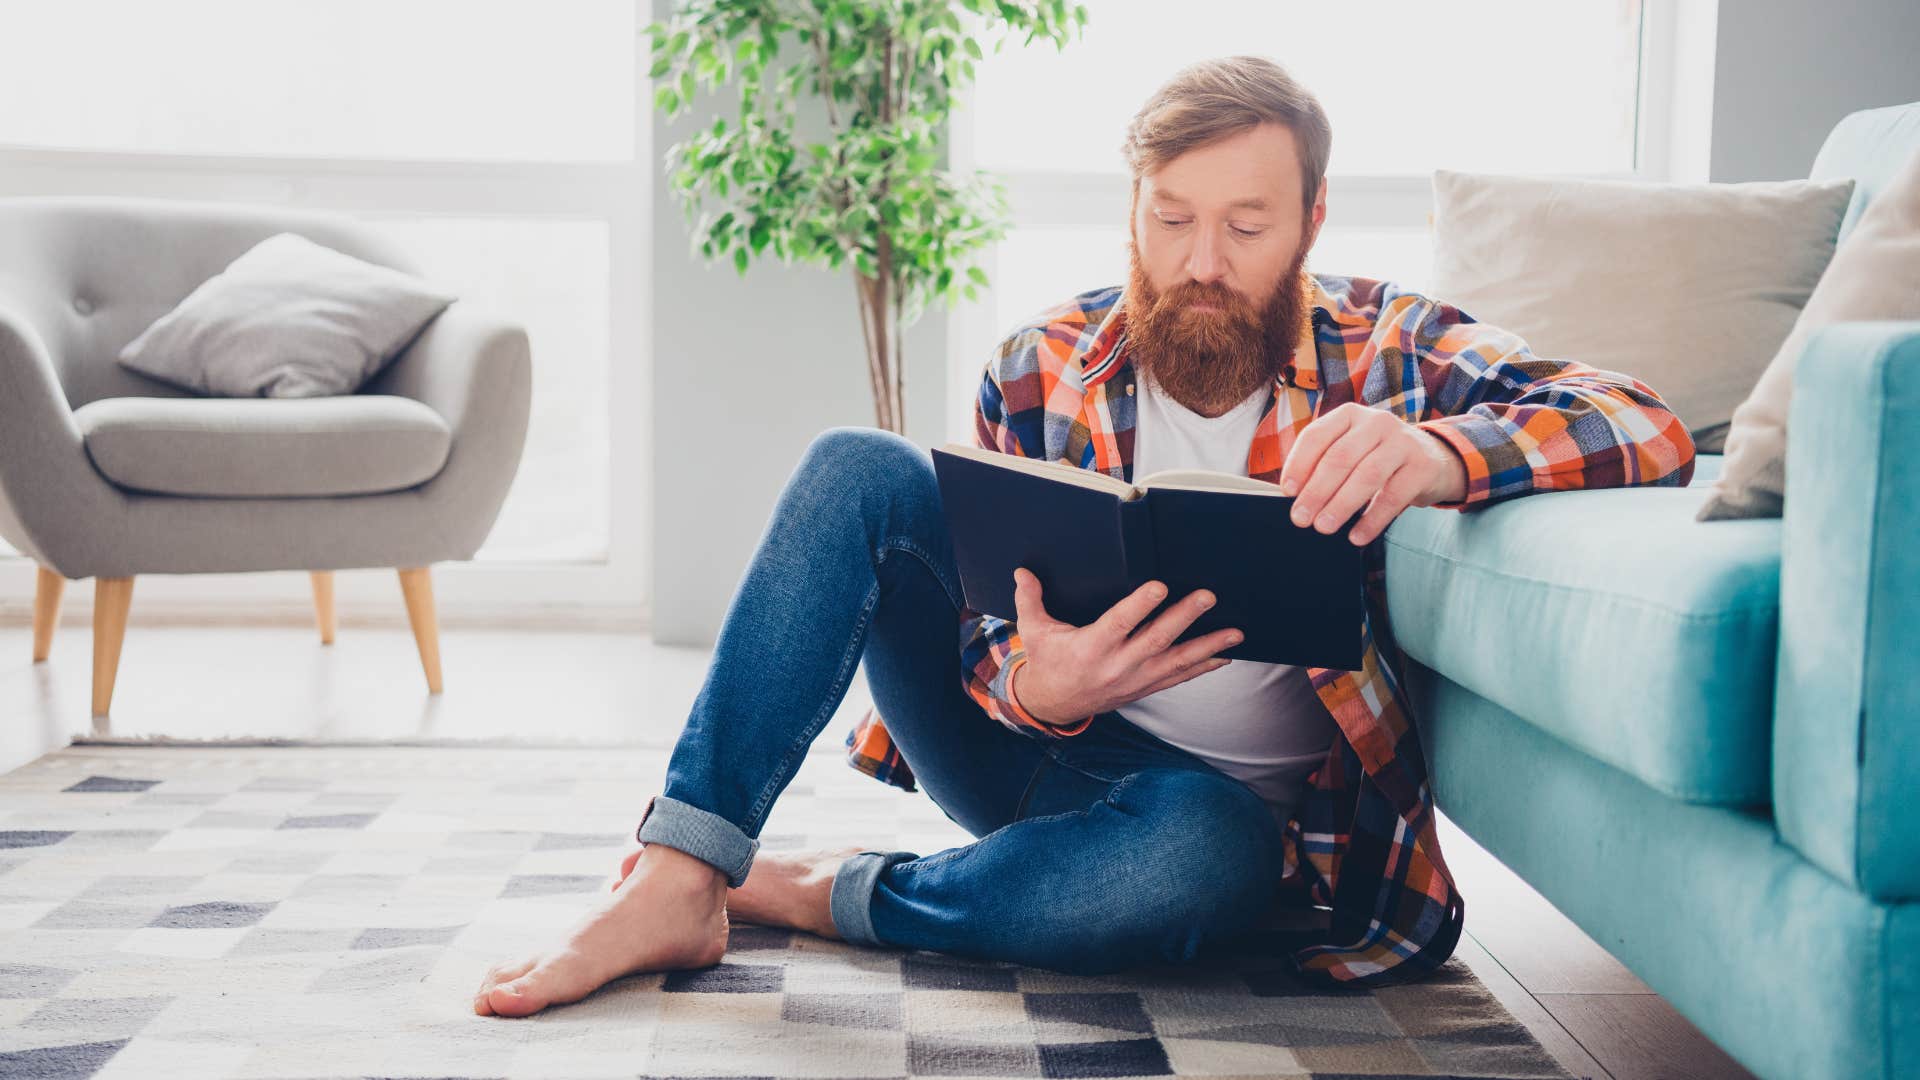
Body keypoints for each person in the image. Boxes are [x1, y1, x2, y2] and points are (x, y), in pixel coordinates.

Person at [474, 55, 1695, 1018]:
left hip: (1228, 830)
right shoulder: (1043, 363)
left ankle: (826, 891)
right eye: (1169, 220)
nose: (1199, 265)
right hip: (1031, 752)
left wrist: (1441, 454)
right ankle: (686, 871)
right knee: (857, 466)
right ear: (1134, 207)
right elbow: (972, 631)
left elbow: (1645, 422)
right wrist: (1033, 683)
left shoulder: (1391, 351)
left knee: (1193, 858)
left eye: (1245, 227)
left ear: (1314, 220)